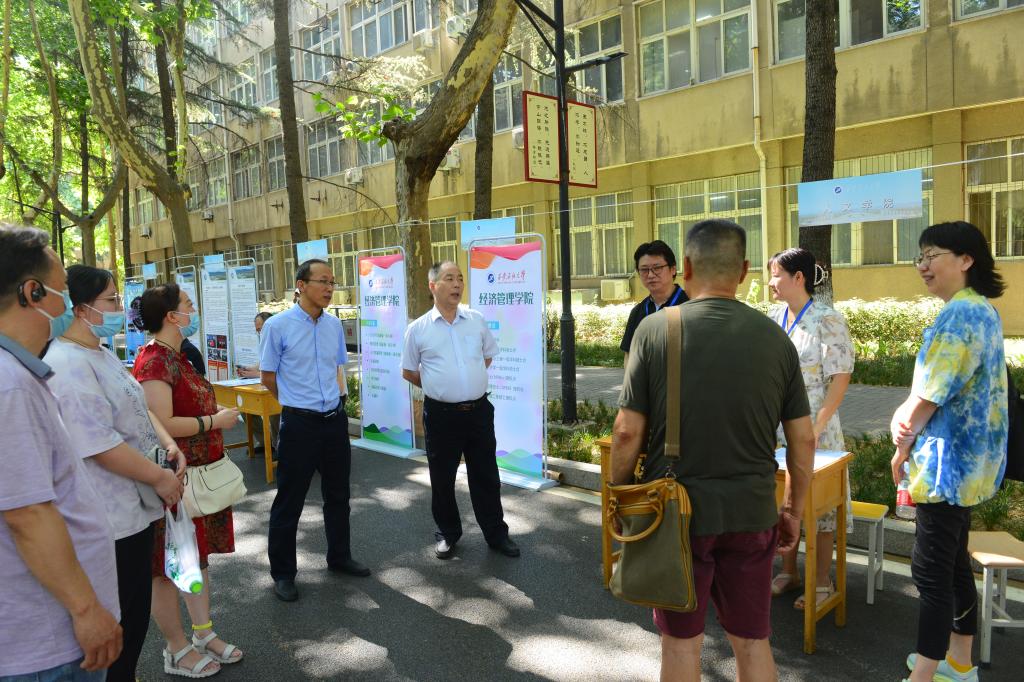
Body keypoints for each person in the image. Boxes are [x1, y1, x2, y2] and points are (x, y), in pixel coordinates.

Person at [611, 219, 815, 682]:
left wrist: (619, 496)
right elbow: (803, 439)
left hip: (675, 515)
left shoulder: (654, 330)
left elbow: (626, 432)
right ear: (744, 270)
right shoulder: (776, 339)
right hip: (752, 511)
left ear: (684, 267)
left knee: (681, 644)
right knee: (752, 640)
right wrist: (792, 510)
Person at [45, 265, 187, 682]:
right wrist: (160, 478)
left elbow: (138, 404)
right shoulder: (67, 364)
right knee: (119, 626)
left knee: (134, 618)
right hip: (109, 519)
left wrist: (168, 443)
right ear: (80, 308)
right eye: (111, 300)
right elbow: (100, 444)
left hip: (135, 509)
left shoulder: (100, 352)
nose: (120, 308)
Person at [0, 225, 122, 681]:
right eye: (63, 289)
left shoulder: (18, 375)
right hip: (48, 642)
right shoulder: (9, 384)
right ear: (32, 292)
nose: (69, 303)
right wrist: (87, 609)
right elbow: (27, 514)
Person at [891, 222, 1008, 682]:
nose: (923, 265)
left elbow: (931, 394)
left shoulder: (961, 314)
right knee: (954, 564)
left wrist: (901, 443)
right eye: (920, 256)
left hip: (946, 466)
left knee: (930, 571)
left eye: (932, 255)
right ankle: (959, 663)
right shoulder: (980, 308)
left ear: (966, 259)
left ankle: (923, 675)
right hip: (968, 465)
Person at [133, 283, 243, 678]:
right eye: (187, 304)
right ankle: (175, 648)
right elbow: (160, 422)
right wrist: (214, 421)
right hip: (176, 481)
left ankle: (203, 633)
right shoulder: (154, 360)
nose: (192, 310)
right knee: (168, 567)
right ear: (170, 316)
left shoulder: (176, 355)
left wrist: (213, 415)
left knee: (196, 560)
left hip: (199, 479)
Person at [260, 259, 369, 603]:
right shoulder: (277, 326)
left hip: (333, 421)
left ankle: (339, 556)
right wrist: (293, 403)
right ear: (301, 285)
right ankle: (283, 574)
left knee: (338, 494)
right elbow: (268, 376)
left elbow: (336, 368)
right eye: (322, 281)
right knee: (290, 499)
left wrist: (338, 404)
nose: (329, 288)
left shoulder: (334, 325)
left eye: (332, 282)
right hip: (300, 424)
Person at [402, 261, 520, 561]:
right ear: (433, 286)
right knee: (442, 477)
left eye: (460, 278)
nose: (457, 284)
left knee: (486, 475)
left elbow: (487, 357)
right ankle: (447, 533)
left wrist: (467, 383)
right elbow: (409, 371)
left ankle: (496, 534)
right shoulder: (418, 329)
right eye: (449, 278)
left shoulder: (476, 320)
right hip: (441, 416)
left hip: (478, 412)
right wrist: (438, 385)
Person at [766, 248, 855, 610]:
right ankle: (788, 571)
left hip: (817, 424)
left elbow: (840, 377)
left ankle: (821, 580)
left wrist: (818, 425)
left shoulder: (827, 318)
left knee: (821, 506)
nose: (770, 283)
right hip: (780, 424)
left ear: (798, 277)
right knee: (783, 500)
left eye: (776, 275)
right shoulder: (774, 318)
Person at [619, 240, 688, 366]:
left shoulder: (690, 305)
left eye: (657, 268)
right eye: (644, 270)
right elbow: (629, 354)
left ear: (673, 269)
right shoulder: (638, 311)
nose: (650, 275)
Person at [238, 312, 278, 454]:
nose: (259, 333)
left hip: (280, 389)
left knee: (274, 412)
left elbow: (283, 370)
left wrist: (257, 374)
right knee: (245, 407)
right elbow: (263, 362)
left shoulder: (280, 338)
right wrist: (248, 369)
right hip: (266, 385)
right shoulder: (266, 340)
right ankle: (265, 441)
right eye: (257, 330)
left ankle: (279, 447)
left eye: (260, 329)